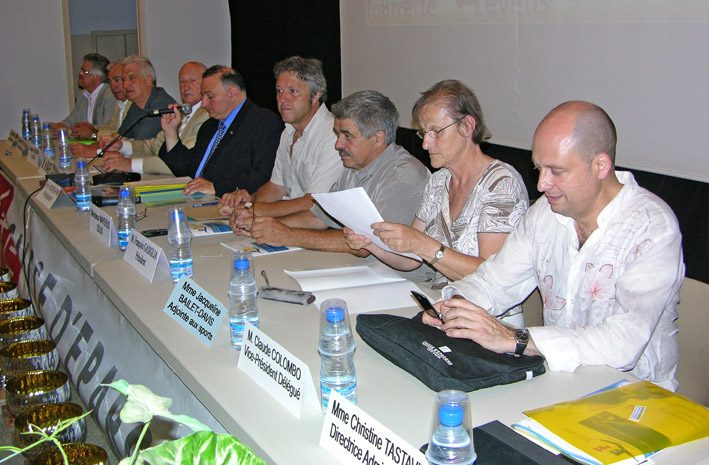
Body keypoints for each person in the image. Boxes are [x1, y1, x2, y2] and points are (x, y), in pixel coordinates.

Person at [424, 101, 684, 391]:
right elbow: (496, 281)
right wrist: (451, 307)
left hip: (636, 396)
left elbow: (624, 342)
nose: (541, 184)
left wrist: (517, 340)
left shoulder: (651, 227)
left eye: (556, 171)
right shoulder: (544, 214)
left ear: (600, 165)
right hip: (558, 382)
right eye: (538, 169)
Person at [344, 80, 528, 293]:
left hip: (487, 317)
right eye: (424, 133)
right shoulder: (439, 181)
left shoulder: (501, 183)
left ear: (467, 126)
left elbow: (493, 275)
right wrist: (369, 244)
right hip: (441, 306)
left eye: (436, 132)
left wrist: (423, 245)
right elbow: (411, 259)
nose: (425, 144)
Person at [230, 90, 430, 255]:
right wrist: (264, 226)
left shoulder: (404, 175)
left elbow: (367, 244)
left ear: (378, 139)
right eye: (337, 134)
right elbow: (317, 218)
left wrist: (287, 235)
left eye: (347, 135)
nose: (337, 144)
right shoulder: (353, 166)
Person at [217, 56, 342, 218]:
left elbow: (313, 202)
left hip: (319, 227)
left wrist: (251, 211)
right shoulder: (288, 131)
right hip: (290, 221)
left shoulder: (333, 134)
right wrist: (248, 202)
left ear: (316, 95)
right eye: (279, 91)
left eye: (293, 91)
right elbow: (276, 187)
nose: (283, 99)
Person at [158, 65, 283, 197]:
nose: (203, 104)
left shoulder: (263, 123)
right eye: (203, 96)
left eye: (210, 97)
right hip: (198, 200)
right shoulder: (209, 126)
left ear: (232, 93)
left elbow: (264, 175)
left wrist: (216, 188)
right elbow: (189, 170)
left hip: (231, 205)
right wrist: (171, 132)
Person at [102, 62, 210, 175]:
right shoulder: (181, 110)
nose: (186, 86)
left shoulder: (206, 116)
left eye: (192, 80)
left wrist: (130, 164)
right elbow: (154, 146)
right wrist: (122, 146)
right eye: (182, 81)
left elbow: (180, 159)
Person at [70, 58, 132, 158]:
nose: (113, 86)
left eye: (117, 80)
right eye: (110, 81)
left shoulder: (132, 103)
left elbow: (125, 136)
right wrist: (92, 131)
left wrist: (94, 135)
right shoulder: (120, 102)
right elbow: (112, 129)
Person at [50, 53, 116, 138]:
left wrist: (70, 132)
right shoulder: (83, 96)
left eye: (84, 71)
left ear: (98, 77)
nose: (79, 74)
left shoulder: (110, 96)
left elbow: (105, 129)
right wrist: (57, 127)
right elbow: (71, 121)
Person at [115, 55, 176, 140]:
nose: (125, 85)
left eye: (132, 78)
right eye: (123, 79)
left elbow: (143, 145)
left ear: (148, 80)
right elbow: (118, 138)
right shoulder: (136, 105)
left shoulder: (161, 105)